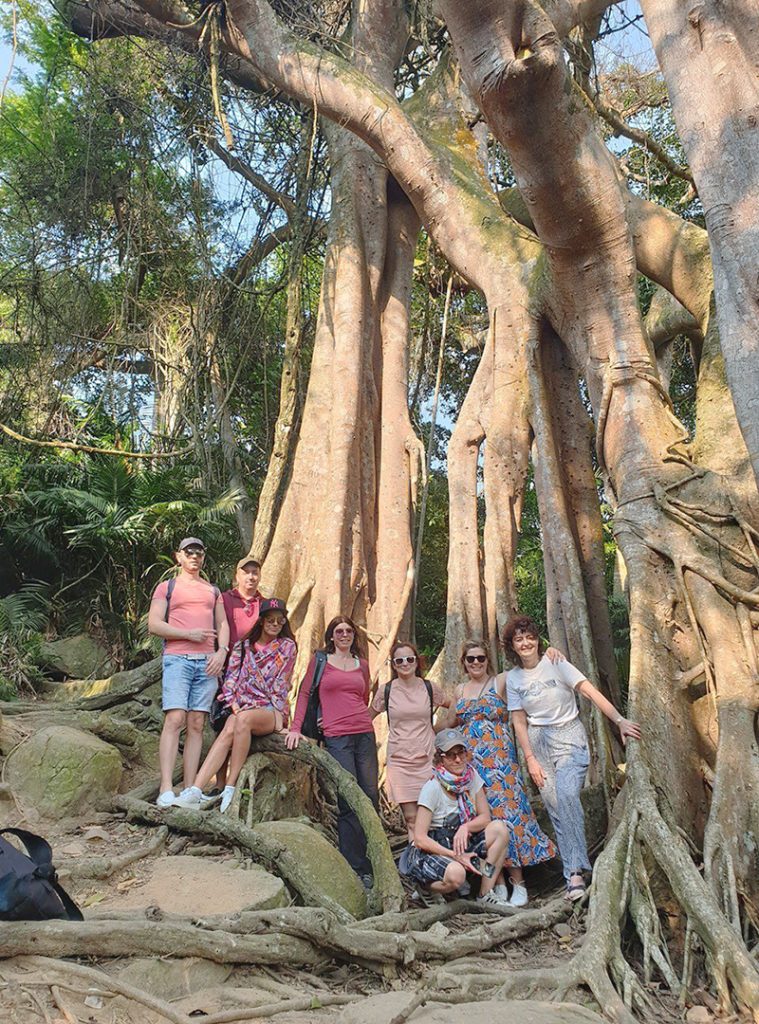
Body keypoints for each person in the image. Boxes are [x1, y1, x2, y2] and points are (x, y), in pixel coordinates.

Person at [503, 615, 642, 900]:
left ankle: (577, 870)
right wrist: (529, 758)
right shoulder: (513, 678)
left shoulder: (556, 662)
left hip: (569, 736)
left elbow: (589, 692)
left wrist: (619, 720)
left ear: (537, 639)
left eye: (529, 637)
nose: (525, 643)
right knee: (556, 809)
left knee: (567, 795)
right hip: (538, 742)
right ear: (512, 646)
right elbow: (518, 721)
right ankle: (573, 874)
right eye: (519, 639)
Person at [452, 640, 558, 907]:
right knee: (483, 821)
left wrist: (549, 654)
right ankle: (496, 882)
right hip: (472, 769)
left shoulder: (500, 681)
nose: (476, 663)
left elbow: (529, 668)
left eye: (481, 658)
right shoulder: (459, 690)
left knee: (509, 817)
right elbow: (450, 721)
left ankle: (518, 882)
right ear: (463, 663)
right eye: (471, 659)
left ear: (488, 660)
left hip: (500, 765)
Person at [174, 598, 297, 813]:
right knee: (228, 729)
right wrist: (233, 703)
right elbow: (230, 678)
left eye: (280, 620)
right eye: (271, 620)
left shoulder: (287, 647)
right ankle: (195, 790)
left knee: (242, 720)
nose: (275, 624)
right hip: (242, 706)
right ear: (261, 621)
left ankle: (231, 787)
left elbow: (282, 683)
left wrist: (280, 720)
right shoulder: (243, 646)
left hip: (270, 709)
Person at [286, 616, 378, 887]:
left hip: (364, 733)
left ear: (354, 635)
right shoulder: (321, 661)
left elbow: (363, 697)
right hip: (337, 736)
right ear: (331, 635)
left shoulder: (362, 665)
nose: (344, 634)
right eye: (339, 631)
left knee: (370, 795)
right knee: (348, 796)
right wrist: (295, 728)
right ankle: (355, 866)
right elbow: (305, 694)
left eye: (349, 630)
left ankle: (372, 861)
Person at [148, 537, 230, 809]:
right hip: (177, 659)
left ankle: (189, 790)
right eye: (189, 552)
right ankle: (165, 788)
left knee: (196, 723)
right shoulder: (167, 587)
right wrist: (188, 634)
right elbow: (154, 624)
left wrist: (222, 652)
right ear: (179, 557)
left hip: (207, 662)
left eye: (199, 553)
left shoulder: (213, 591)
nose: (194, 557)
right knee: (175, 719)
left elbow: (223, 624)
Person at [408, 728, 512, 907]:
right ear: (440, 758)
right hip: (436, 848)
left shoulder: (472, 777)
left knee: (500, 830)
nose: (458, 759)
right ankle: (426, 887)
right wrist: (456, 856)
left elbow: (485, 817)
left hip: (464, 841)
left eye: (461, 753)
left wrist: (466, 827)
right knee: (457, 875)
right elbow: (419, 838)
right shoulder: (432, 788)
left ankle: (485, 893)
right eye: (451, 755)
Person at [370, 641, 450, 842]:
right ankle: (416, 855)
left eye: (409, 659)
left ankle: (436, 855)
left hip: (427, 758)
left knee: (432, 814)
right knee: (411, 818)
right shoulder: (387, 691)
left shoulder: (429, 688)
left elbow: (455, 706)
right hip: (400, 761)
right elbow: (365, 717)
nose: (405, 663)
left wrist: (437, 729)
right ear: (394, 665)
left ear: (416, 661)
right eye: (399, 661)